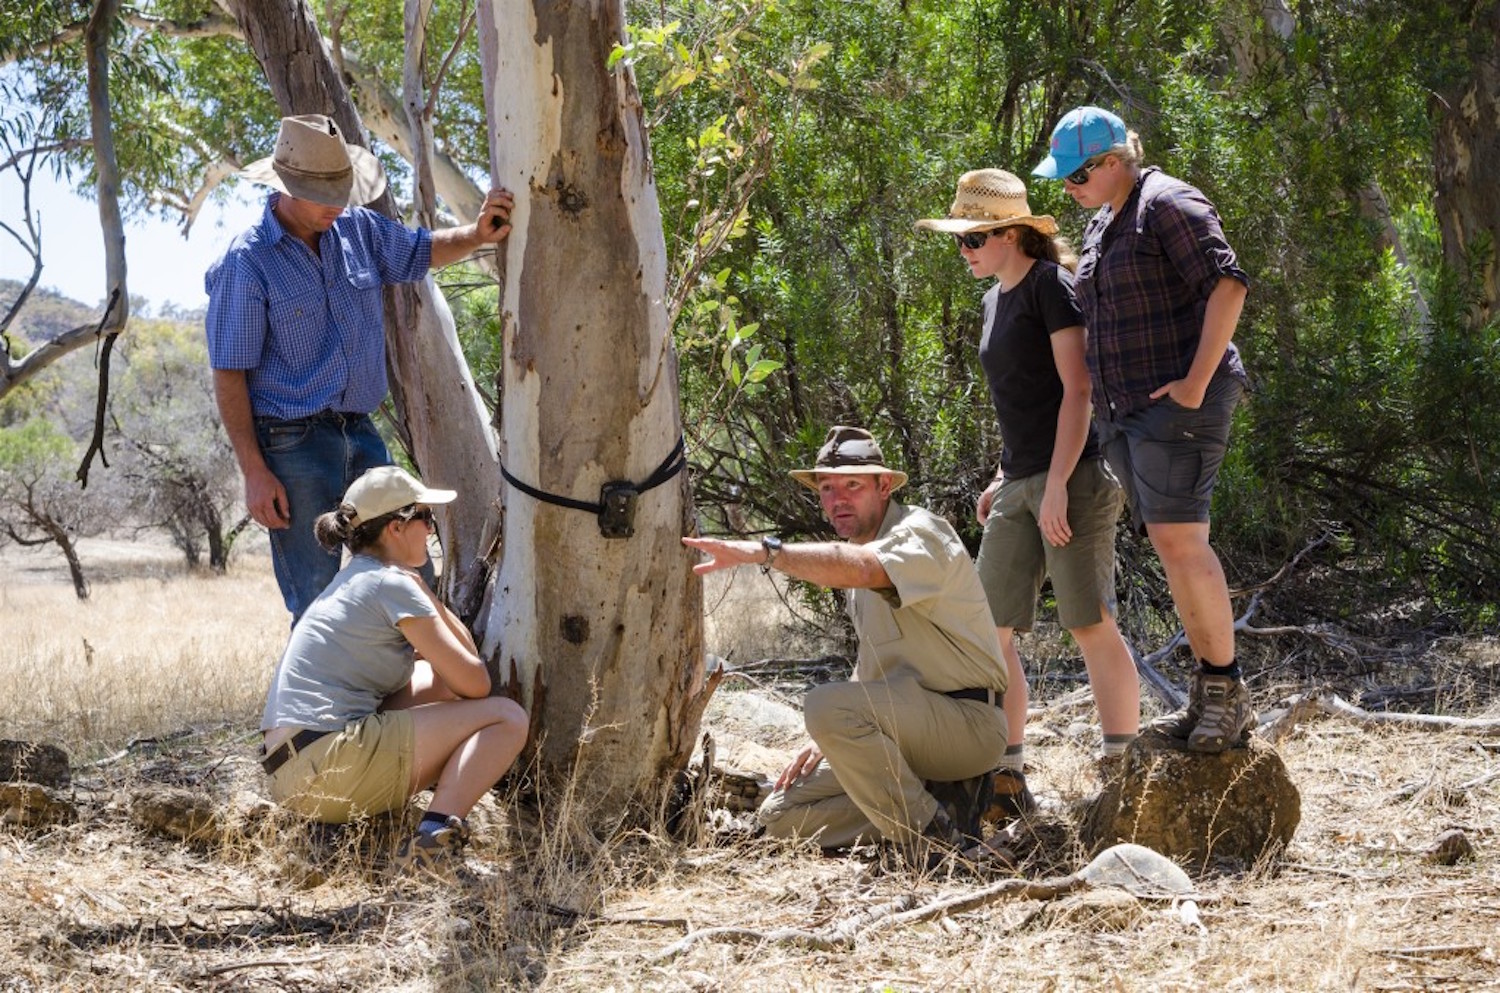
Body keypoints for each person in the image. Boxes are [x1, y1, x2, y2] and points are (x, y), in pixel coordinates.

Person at [206, 114, 515, 622]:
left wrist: (477, 233)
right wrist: (254, 472)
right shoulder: (249, 261)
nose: (333, 203)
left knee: (411, 576)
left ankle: (413, 695)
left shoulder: (357, 228)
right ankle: (325, 702)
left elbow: (421, 251)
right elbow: (229, 373)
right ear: (284, 186)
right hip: (291, 446)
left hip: (361, 433)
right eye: (317, 191)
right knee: (316, 596)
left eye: (339, 189)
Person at [682, 426, 1014, 863]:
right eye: (826, 488)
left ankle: (931, 840)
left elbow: (859, 569)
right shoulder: (862, 552)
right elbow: (871, 662)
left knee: (825, 705)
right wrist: (836, 738)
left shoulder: (921, 533)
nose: (837, 498)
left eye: (852, 485)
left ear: (884, 486)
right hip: (907, 729)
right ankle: (940, 806)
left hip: (966, 727)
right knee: (779, 815)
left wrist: (766, 552)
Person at [1032, 106, 1253, 752]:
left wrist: (1194, 381)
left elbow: (1229, 286)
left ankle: (1225, 694)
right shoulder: (1105, 222)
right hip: (1130, 414)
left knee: (1182, 542)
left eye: (1075, 174)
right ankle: (1213, 693)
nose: (1068, 189)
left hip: (1177, 406)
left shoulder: (1167, 202)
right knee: (1172, 543)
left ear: (1109, 162)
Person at [914, 169, 1140, 777]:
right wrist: (1002, 476)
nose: (964, 252)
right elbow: (1020, 401)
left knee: (1088, 622)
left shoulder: (1052, 287)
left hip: (1076, 477)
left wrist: (1059, 485)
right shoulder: (992, 300)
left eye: (973, 240)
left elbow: (1078, 390)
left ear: (1011, 234)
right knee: (993, 629)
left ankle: (1123, 762)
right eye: (960, 240)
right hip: (1021, 482)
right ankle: (1006, 771)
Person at [258, 464, 528, 873]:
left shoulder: (358, 579)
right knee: (508, 718)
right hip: (329, 766)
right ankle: (430, 846)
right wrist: (426, 593)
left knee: (438, 681)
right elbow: (476, 682)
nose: (431, 530)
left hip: (289, 774)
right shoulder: (394, 584)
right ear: (395, 528)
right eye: (424, 517)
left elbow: (452, 682)